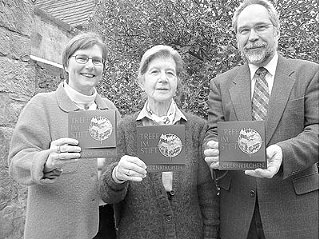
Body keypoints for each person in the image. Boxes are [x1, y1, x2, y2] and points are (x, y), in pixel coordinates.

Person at [203, 0, 319, 238]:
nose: (252, 37)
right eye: (244, 30)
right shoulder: (221, 84)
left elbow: (317, 130)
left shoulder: (310, 74)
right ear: (237, 38)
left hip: (294, 209)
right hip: (237, 212)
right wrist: (212, 149)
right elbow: (213, 132)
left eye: (261, 27)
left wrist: (282, 153)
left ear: (276, 31)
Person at [99, 45, 219, 239]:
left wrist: (210, 233)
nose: (163, 79)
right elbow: (107, 194)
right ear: (141, 81)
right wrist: (117, 175)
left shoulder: (197, 128)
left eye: (170, 73)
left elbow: (207, 194)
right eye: (154, 72)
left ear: (177, 82)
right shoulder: (124, 128)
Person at [8, 32, 119, 239]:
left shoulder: (110, 110)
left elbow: (117, 163)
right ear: (66, 65)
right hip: (58, 226)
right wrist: (47, 160)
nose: (90, 65)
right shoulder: (42, 105)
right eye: (82, 58)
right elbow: (17, 161)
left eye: (97, 60)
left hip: (104, 223)